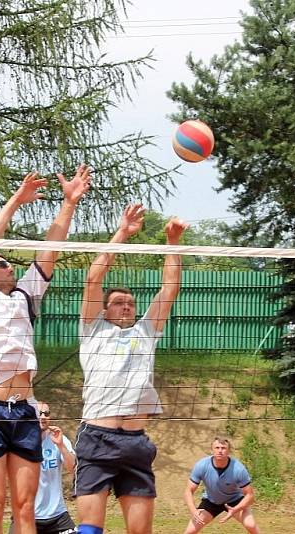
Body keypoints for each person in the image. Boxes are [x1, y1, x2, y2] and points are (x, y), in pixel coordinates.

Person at [0, 166, 90, 534]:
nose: (6, 265)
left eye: (9, 263)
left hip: (26, 408)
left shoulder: (25, 295)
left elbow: (49, 250)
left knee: (24, 507)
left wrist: (69, 204)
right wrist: (17, 199)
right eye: (0, 262)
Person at [74, 204, 188, 534]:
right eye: (119, 302)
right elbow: (94, 277)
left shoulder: (145, 330)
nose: (126, 306)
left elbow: (169, 290)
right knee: (90, 530)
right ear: (105, 309)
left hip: (135, 442)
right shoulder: (93, 328)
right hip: (98, 438)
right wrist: (123, 232)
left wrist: (172, 243)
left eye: (131, 303)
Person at [9, 401, 77, 534]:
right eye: (39, 413)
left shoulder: (59, 439)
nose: (43, 416)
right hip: (26, 514)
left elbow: (73, 468)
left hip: (58, 517)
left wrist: (61, 446)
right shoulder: (19, 442)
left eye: (46, 413)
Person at [182, 437, 260, 534]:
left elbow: (250, 496)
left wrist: (235, 509)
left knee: (251, 525)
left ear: (228, 451)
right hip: (211, 501)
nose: (220, 451)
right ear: (212, 450)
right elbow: (188, 491)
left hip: (234, 501)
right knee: (190, 531)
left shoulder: (238, 468)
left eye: (223, 448)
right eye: (217, 448)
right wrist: (194, 511)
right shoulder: (202, 465)